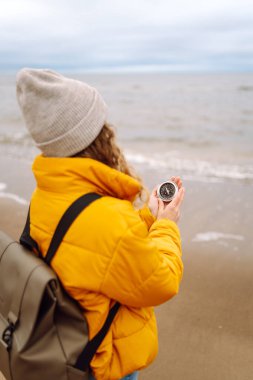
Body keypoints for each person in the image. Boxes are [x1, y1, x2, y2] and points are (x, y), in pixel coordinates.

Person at [16, 68, 185, 380]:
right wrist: (166, 225)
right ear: (91, 137)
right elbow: (161, 282)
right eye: (101, 125)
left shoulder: (47, 195)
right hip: (100, 361)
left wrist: (146, 217)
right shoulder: (108, 218)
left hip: (66, 345)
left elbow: (94, 246)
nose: (109, 130)